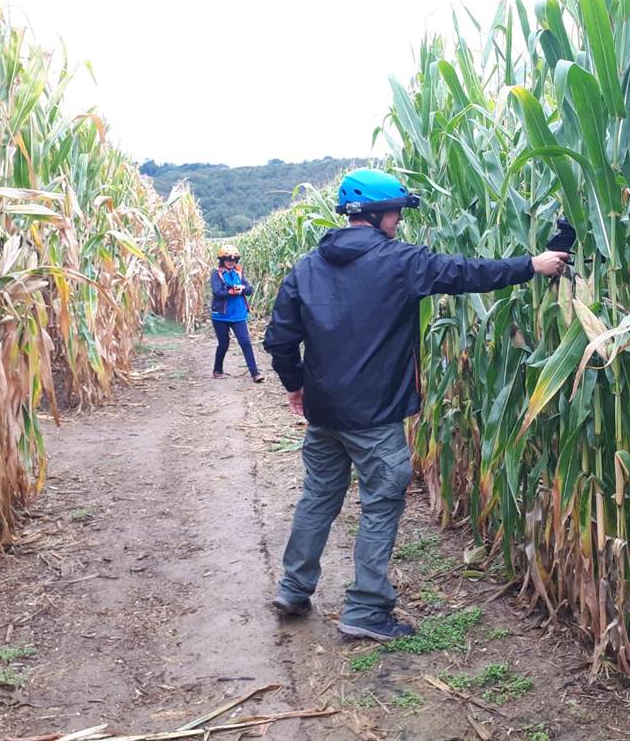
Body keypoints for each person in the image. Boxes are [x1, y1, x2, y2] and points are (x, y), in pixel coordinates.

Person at [263, 168, 568, 640]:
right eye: (397, 213)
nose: (399, 222)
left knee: (318, 496)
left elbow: (279, 339)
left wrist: (296, 385)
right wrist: (531, 264)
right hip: (375, 416)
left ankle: (293, 587)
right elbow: (467, 273)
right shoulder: (398, 262)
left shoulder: (307, 266)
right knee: (381, 502)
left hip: (325, 413)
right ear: (377, 213)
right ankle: (366, 610)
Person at [210, 244, 264, 382]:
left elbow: (249, 290)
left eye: (233, 260)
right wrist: (231, 292)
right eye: (227, 259)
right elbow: (218, 292)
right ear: (222, 260)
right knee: (224, 343)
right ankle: (217, 370)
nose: (231, 262)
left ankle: (255, 373)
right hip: (221, 316)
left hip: (238, 315)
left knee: (245, 342)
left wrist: (242, 289)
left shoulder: (238, 272)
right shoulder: (216, 274)